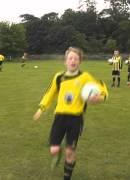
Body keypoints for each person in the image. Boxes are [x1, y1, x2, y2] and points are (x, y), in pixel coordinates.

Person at [33, 47, 108, 180]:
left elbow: (102, 89)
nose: (73, 61)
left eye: (76, 58)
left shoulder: (85, 77)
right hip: (59, 117)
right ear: (65, 61)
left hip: (75, 119)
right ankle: (58, 152)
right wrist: (41, 108)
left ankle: (67, 177)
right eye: (70, 58)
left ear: (80, 61)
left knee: (70, 151)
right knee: (54, 149)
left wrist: (99, 98)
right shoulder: (59, 77)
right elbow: (49, 94)